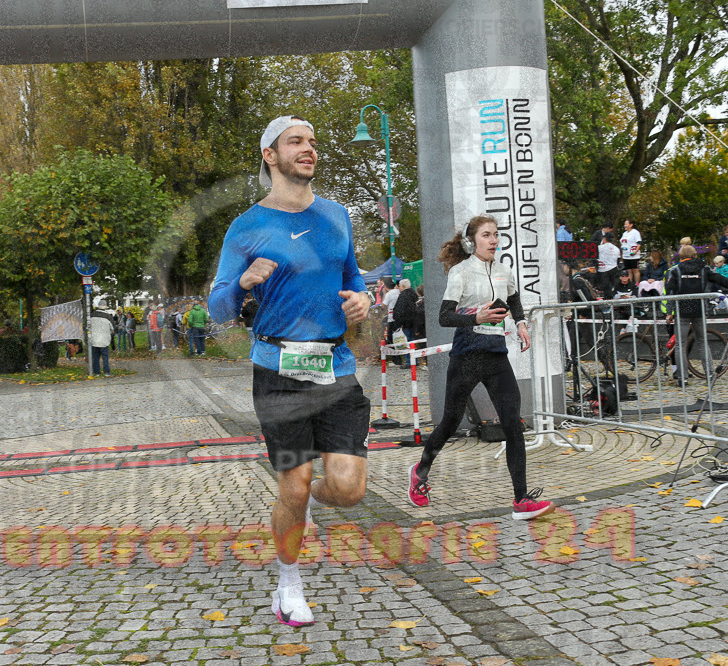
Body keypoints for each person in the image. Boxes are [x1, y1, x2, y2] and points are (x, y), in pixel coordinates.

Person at [209, 115, 371, 627]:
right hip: (279, 368)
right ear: (269, 155)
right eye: (295, 141)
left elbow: (353, 278)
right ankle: (288, 581)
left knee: (347, 490)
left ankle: (301, 506)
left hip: (335, 364)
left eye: (312, 141)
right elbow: (216, 307)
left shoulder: (337, 216)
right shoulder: (246, 226)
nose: (308, 149)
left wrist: (360, 301)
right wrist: (241, 285)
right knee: (294, 488)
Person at [406, 215, 554, 523]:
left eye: (496, 235)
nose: (494, 240)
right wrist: (477, 318)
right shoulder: (461, 272)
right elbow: (445, 317)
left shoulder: (503, 271)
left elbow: (513, 299)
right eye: (487, 235)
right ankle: (420, 471)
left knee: (513, 422)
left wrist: (521, 322)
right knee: (449, 422)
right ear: (474, 241)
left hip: (496, 355)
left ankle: (521, 500)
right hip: (468, 354)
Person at [664, 245, 728, 382]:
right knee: (702, 342)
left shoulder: (676, 270)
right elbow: (719, 278)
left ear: (680, 256)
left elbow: (670, 292)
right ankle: (710, 374)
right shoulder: (704, 269)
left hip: (682, 310)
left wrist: (669, 312)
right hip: (700, 310)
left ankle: (682, 378)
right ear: (694, 255)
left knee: (681, 345)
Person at [89, 309, 114, 377]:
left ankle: (97, 372)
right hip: (104, 341)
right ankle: (106, 372)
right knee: (105, 357)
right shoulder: (108, 318)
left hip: (94, 340)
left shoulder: (91, 317)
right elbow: (112, 329)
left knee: (96, 357)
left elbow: (88, 327)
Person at [392, 278, 417, 344]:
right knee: (412, 342)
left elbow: (399, 310)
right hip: (413, 322)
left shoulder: (403, 296)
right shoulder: (414, 295)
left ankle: (407, 354)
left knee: (406, 343)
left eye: (399, 286)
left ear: (403, 286)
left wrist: (399, 322)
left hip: (405, 324)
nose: (399, 288)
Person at [597, 232, 621, 298]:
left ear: (604, 239)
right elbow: (618, 261)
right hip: (614, 268)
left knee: (606, 289)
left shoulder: (600, 247)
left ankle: (607, 301)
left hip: (603, 270)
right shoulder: (616, 249)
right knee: (613, 287)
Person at [620, 219, 642, 284]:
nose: (625, 225)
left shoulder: (635, 232)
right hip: (625, 255)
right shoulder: (624, 233)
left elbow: (639, 243)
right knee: (629, 271)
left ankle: (637, 284)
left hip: (633, 255)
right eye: (624, 224)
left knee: (635, 270)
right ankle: (630, 284)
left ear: (631, 225)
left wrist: (635, 251)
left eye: (626, 224)